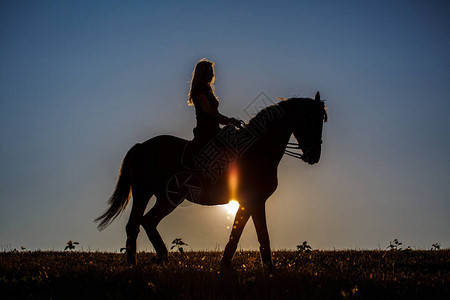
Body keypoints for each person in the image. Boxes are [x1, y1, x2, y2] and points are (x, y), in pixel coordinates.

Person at [188, 59, 241, 150]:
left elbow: (215, 116)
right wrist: (229, 121)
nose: (213, 75)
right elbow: (208, 111)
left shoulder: (207, 90)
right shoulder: (199, 90)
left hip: (214, 129)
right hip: (206, 130)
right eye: (210, 72)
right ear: (202, 73)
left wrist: (229, 121)